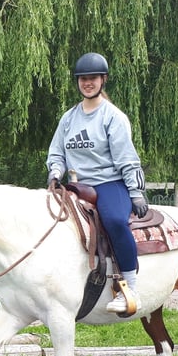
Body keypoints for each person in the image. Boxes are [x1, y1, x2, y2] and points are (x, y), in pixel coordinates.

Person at [46, 52, 148, 314]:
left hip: (108, 183)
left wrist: (135, 192)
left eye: (92, 78)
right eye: (82, 79)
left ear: (103, 80)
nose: (87, 83)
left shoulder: (113, 117)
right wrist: (55, 172)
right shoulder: (68, 118)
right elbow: (56, 152)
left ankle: (130, 288)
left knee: (114, 221)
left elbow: (127, 158)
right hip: (75, 187)